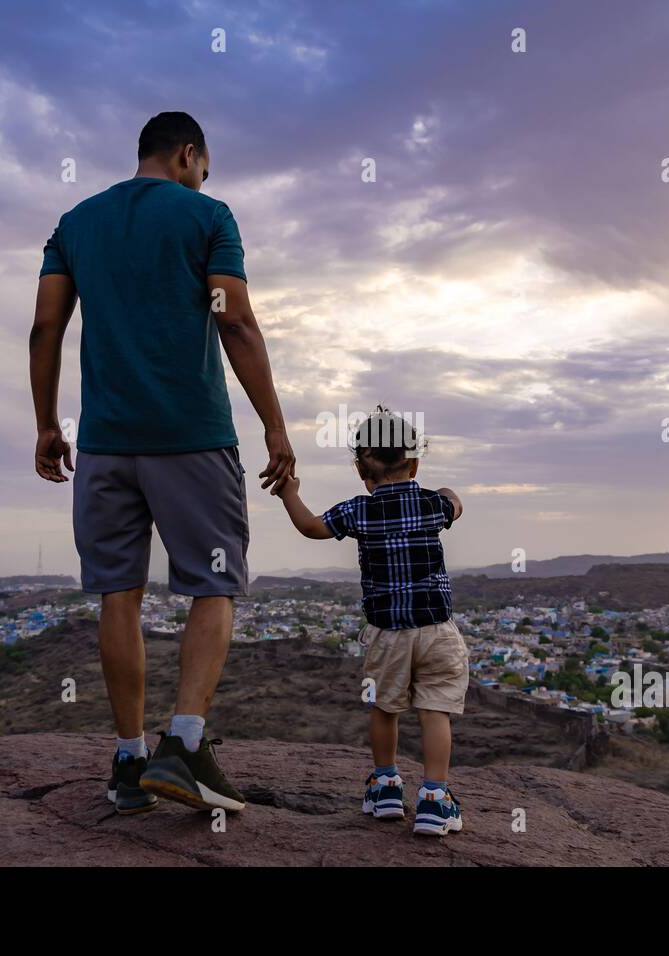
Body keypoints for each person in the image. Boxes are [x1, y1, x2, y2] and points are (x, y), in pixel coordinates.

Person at [28, 111, 294, 815]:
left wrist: (47, 425)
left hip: (106, 443)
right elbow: (234, 320)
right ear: (187, 154)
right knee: (214, 584)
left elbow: (45, 328)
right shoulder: (208, 216)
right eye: (204, 167)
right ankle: (184, 745)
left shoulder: (75, 224)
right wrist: (275, 426)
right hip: (191, 436)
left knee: (120, 594)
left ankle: (127, 760)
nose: (204, 178)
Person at [275, 408, 467, 836]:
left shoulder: (358, 511)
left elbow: (310, 527)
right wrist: (449, 491)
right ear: (414, 463)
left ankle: (385, 789)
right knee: (435, 710)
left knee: (385, 708)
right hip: (437, 630)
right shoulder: (432, 504)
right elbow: (456, 504)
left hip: (386, 634)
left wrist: (289, 492)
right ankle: (435, 799)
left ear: (363, 470)